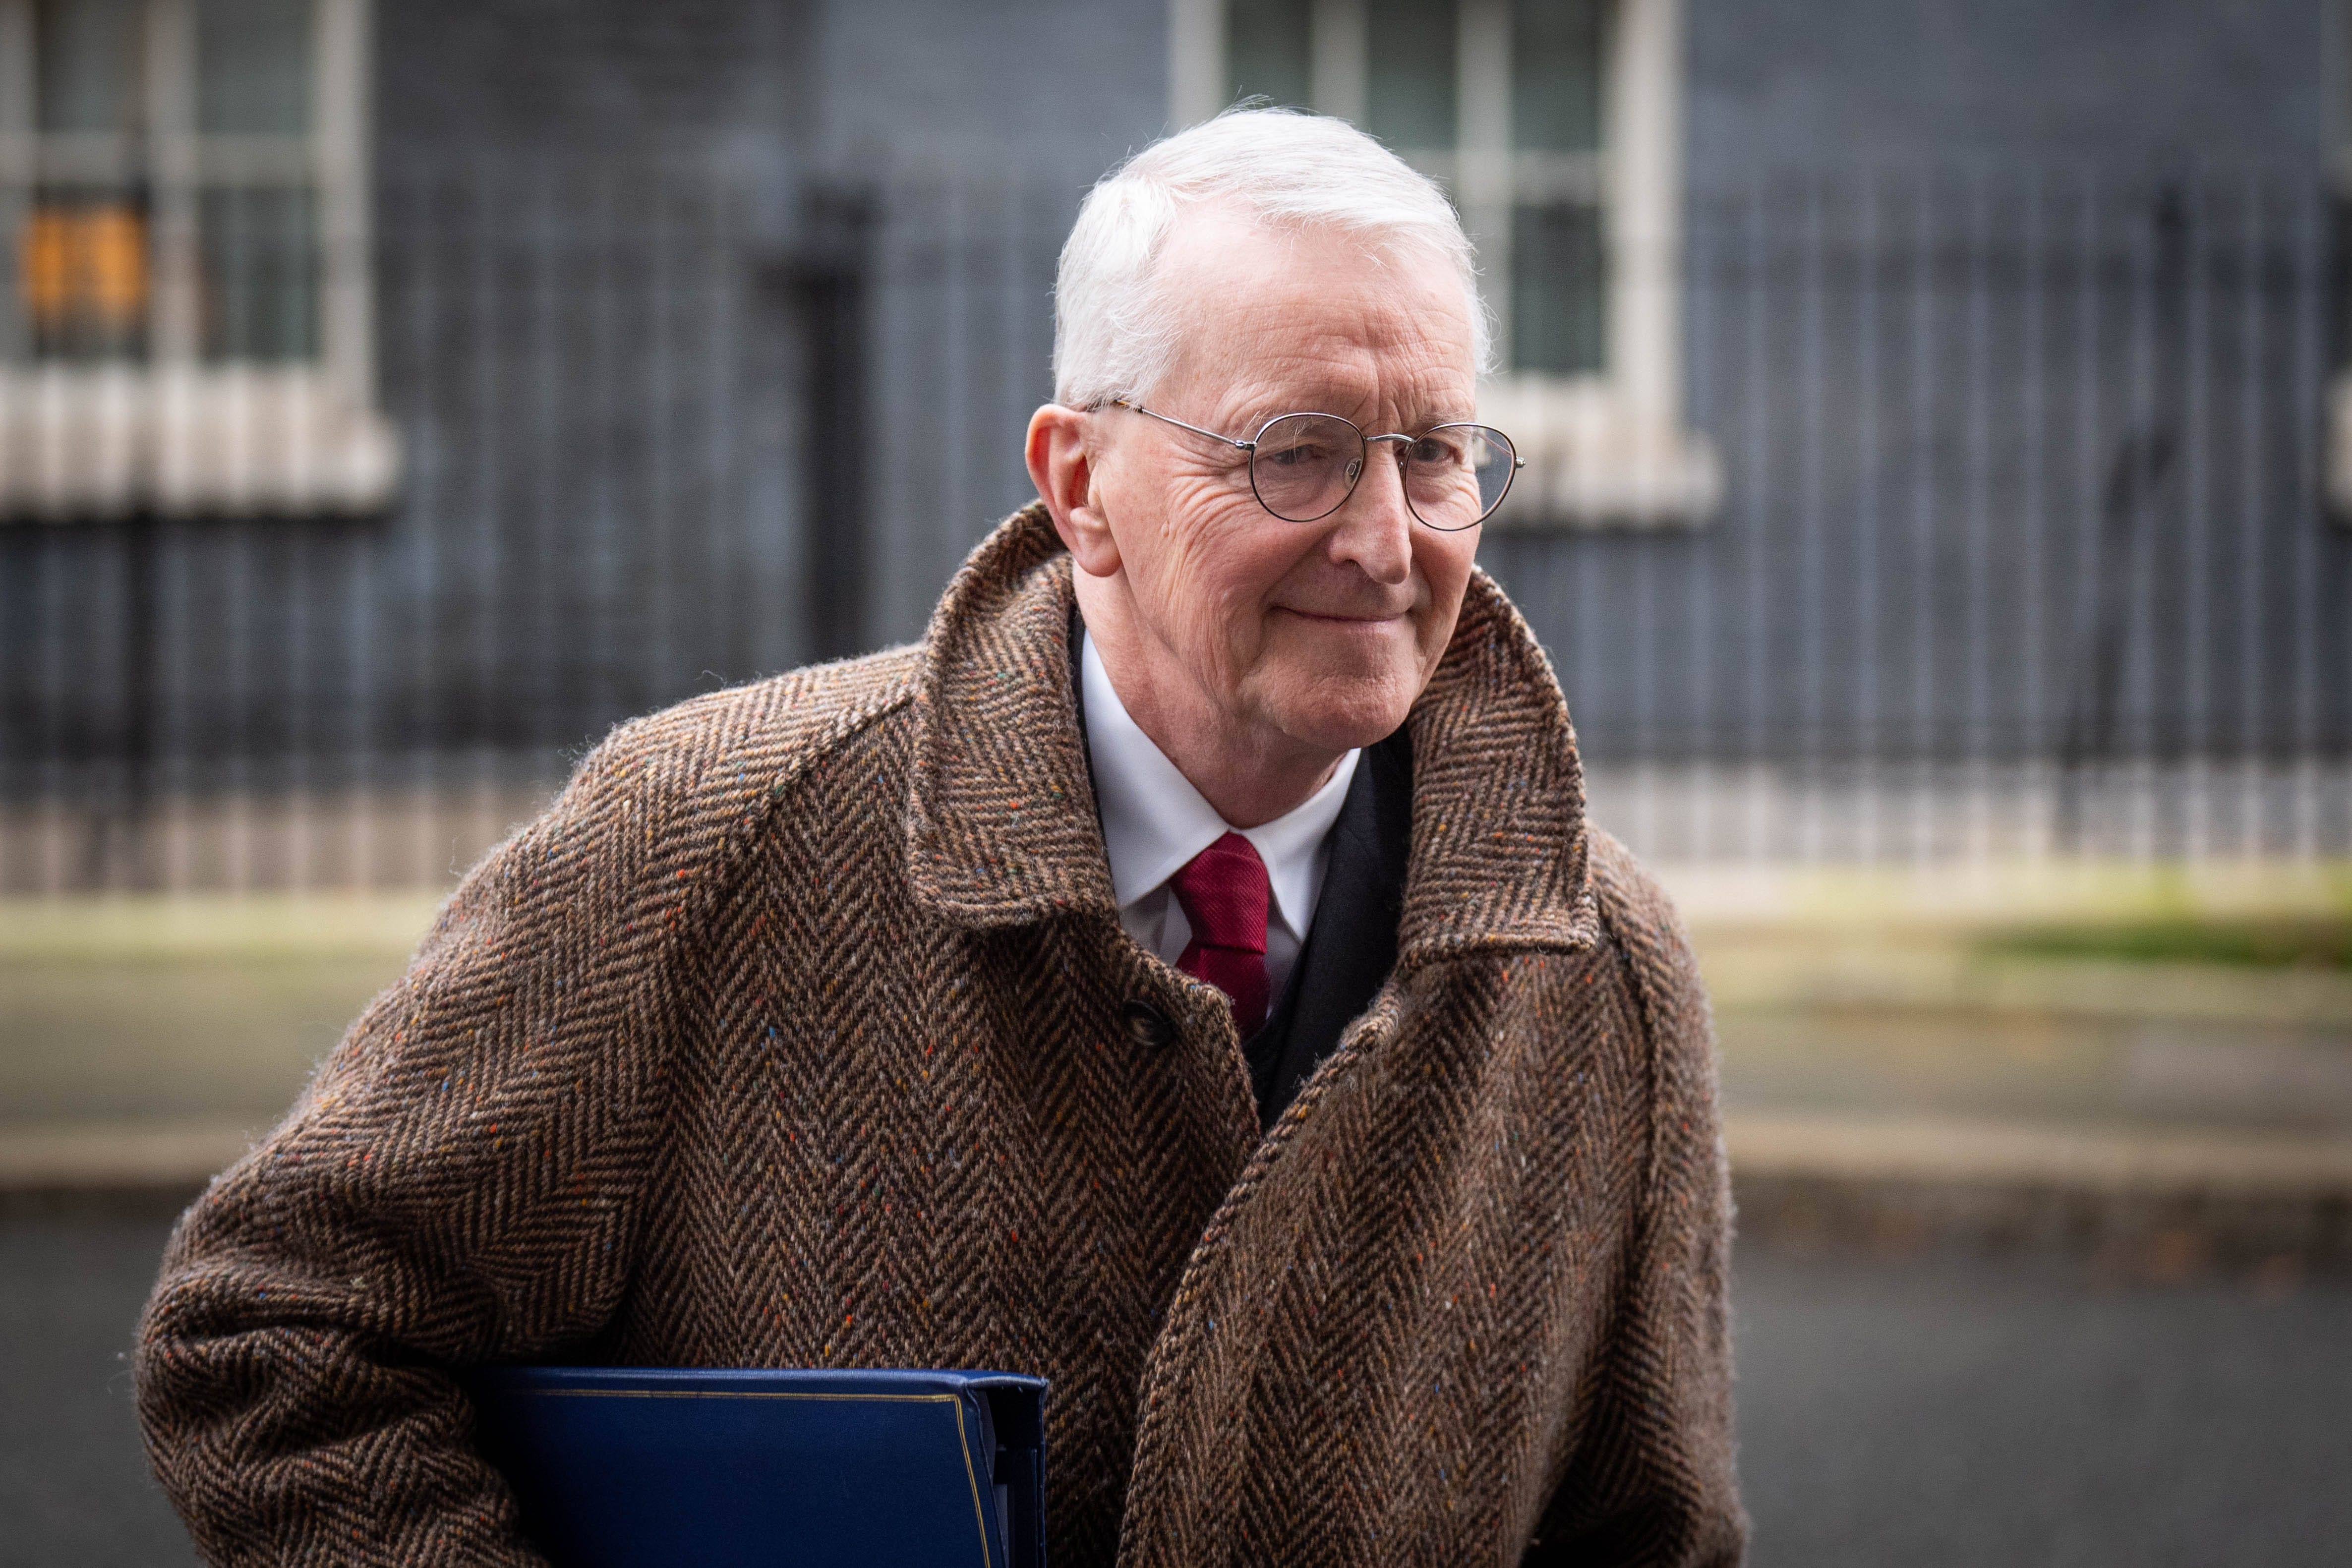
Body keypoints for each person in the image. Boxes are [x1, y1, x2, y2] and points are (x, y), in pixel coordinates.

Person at [138, 108, 1744, 1566]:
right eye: (1298, 452)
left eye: (1435, 451)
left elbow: (1646, 1532)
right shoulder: (704, 839)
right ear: (1082, 484)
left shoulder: (1606, 977)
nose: (1387, 538)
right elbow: (275, 1335)